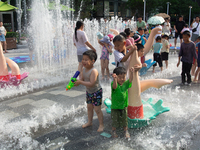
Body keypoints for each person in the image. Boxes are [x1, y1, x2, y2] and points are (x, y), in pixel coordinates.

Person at [74, 50, 104, 132]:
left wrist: (80, 82)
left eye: (86, 59)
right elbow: (82, 79)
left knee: (97, 109)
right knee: (89, 108)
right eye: (83, 59)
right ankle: (89, 122)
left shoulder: (94, 71)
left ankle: (101, 124)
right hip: (89, 92)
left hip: (96, 92)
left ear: (93, 61)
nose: (83, 61)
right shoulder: (84, 70)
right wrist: (77, 82)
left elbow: (91, 83)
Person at [111, 67, 134, 138]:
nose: (122, 79)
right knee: (115, 120)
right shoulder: (114, 83)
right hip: (115, 107)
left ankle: (126, 131)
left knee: (124, 120)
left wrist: (132, 73)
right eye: (119, 77)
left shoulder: (125, 84)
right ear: (115, 77)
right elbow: (114, 87)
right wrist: (115, 80)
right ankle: (113, 131)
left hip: (124, 106)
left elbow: (130, 80)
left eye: (123, 77)